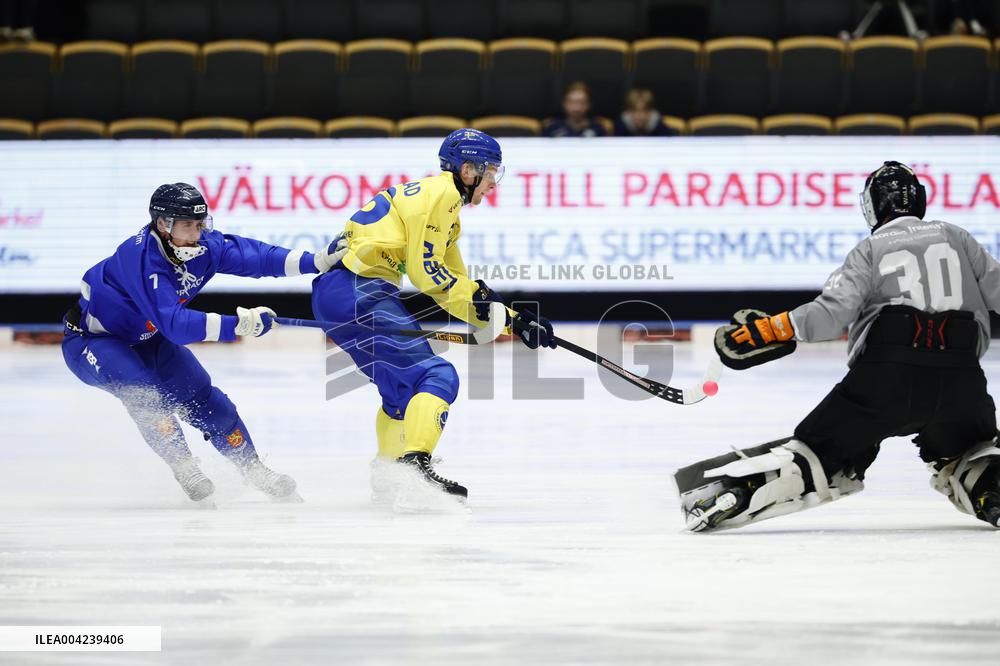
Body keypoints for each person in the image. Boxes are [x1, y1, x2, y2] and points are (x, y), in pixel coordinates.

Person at [675, 161, 1000, 532]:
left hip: (885, 381)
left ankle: (729, 492)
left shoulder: (870, 249)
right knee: (973, 456)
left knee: (818, 455)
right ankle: (992, 489)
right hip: (961, 380)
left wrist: (770, 328)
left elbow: (831, 315)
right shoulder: (957, 237)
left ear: (872, 206)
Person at [312, 129, 556, 506]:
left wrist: (513, 320)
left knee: (400, 393)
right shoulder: (442, 196)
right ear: (468, 170)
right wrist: (483, 300)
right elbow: (428, 277)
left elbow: (454, 290)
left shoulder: (442, 206)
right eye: (492, 172)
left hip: (339, 293)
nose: (494, 183)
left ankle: (387, 474)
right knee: (437, 375)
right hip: (360, 291)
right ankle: (414, 466)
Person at [62, 183, 346, 503]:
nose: (196, 234)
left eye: (200, 224)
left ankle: (254, 469)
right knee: (145, 393)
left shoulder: (203, 245)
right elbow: (175, 326)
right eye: (187, 225)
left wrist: (316, 261)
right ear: (163, 224)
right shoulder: (140, 258)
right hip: (95, 342)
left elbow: (254, 257)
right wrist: (238, 325)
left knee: (204, 397)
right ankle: (185, 467)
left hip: (148, 338)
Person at [542, 81, 607, 138]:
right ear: (564, 104)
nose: (577, 108)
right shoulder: (552, 128)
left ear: (589, 104)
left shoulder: (598, 129)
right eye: (572, 103)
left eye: (582, 103)